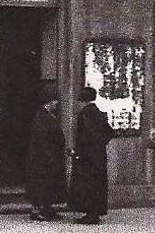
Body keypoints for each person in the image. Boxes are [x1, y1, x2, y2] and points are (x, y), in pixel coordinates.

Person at [69, 86, 115, 225]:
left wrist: (77, 153)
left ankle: (91, 215)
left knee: (87, 185)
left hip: (87, 158)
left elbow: (86, 137)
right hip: (99, 155)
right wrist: (99, 145)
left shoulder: (85, 114)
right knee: (97, 185)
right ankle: (93, 213)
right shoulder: (98, 112)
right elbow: (110, 132)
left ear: (82, 100)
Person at [26, 87, 66, 221]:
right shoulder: (42, 116)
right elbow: (42, 140)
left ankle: (47, 209)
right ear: (49, 102)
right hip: (43, 158)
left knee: (49, 184)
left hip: (49, 156)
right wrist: (50, 156)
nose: (56, 104)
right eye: (55, 102)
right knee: (41, 183)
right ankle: (37, 210)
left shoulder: (46, 115)